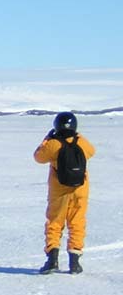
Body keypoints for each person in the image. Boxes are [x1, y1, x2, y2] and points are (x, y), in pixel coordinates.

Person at [33, 112, 95, 274]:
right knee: (77, 222)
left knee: (54, 222)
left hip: (58, 191)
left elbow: (38, 157)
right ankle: (75, 262)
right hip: (80, 189)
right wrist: (77, 136)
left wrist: (47, 139)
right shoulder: (81, 142)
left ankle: (52, 259)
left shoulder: (53, 144)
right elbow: (92, 151)